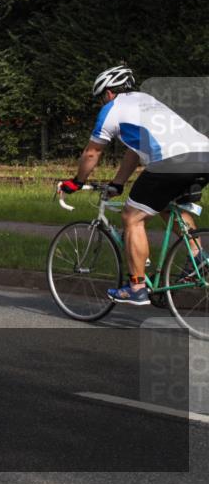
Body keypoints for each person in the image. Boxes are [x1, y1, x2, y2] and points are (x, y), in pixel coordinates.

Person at [60, 66, 209, 305]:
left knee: (132, 217)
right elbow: (134, 151)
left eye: (101, 97)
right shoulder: (147, 101)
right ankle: (198, 256)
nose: (102, 102)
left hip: (169, 163)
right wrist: (118, 183)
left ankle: (136, 286)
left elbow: (92, 152)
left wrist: (76, 182)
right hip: (204, 156)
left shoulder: (112, 110)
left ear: (108, 92)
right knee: (165, 204)